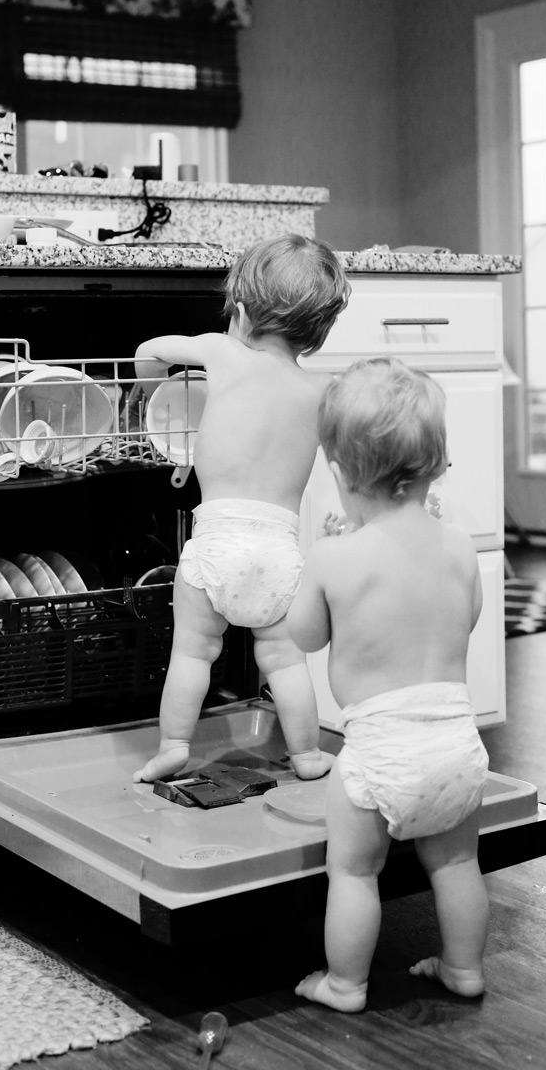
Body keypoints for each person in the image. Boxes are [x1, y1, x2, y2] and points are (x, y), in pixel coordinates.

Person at [289, 356, 490, 1012]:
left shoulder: (335, 556)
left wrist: (319, 564)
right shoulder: (459, 546)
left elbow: (304, 635)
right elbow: (469, 615)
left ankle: (345, 983)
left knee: (353, 871)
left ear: (341, 473)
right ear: (436, 463)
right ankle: (464, 969)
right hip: (457, 747)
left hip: (380, 756)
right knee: (456, 865)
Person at [132, 233, 351, 784]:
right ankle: (307, 754)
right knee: (286, 662)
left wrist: (151, 386)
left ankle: (174, 745)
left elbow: (148, 351)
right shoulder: (321, 390)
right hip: (281, 555)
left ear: (243, 312)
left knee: (192, 655)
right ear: (318, 330)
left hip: (217, 546)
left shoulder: (221, 351)